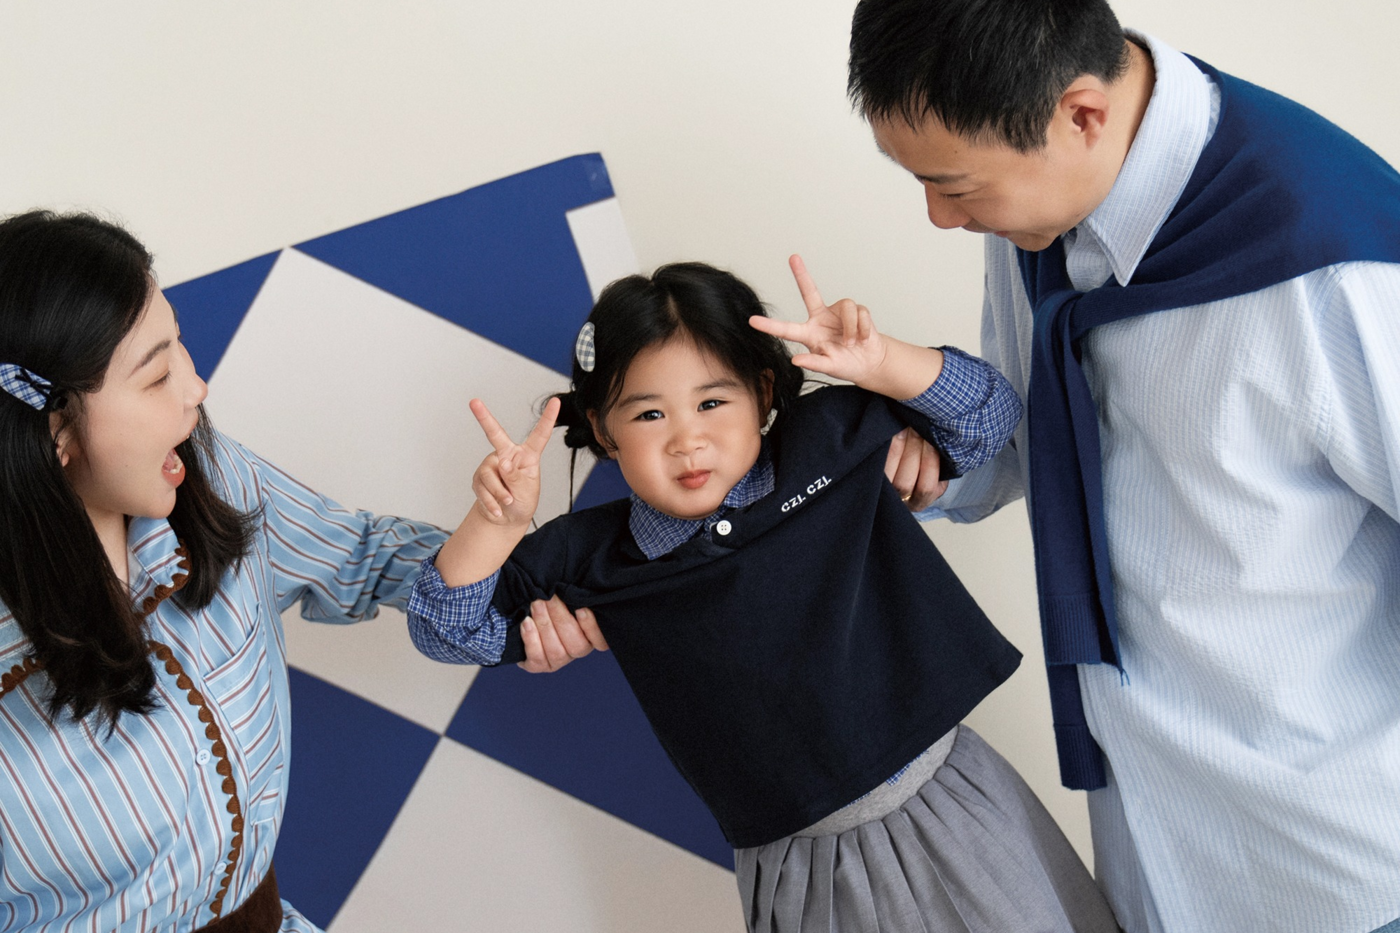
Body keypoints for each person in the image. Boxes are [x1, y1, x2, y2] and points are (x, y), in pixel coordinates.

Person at [845, 2, 1400, 932]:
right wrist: (928, 452)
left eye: (953, 185)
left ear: (1082, 115)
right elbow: (1029, 435)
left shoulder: (1339, 263)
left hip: (1345, 862)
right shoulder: (1038, 216)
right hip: (1152, 847)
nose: (940, 217)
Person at [407, 257, 1120, 932]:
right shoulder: (591, 555)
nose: (688, 440)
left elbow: (991, 415)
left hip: (951, 799)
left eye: (713, 401)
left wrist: (881, 361)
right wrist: (494, 525)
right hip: (802, 867)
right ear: (601, 429)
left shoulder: (830, 436)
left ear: (764, 393)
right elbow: (445, 630)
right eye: (649, 415)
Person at [0, 210, 604, 932]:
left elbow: (362, 555)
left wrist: (511, 554)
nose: (196, 388)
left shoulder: (211, 479)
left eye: (179, 346)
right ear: (56, 429)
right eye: (157, 375)